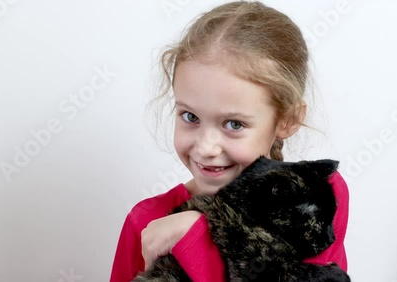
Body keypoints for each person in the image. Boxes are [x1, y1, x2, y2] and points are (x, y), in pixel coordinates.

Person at [110, 1, 349, 281]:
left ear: (286, 120)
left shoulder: (314, 198)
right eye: (190, 116)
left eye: (234, 124)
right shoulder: (146, 220)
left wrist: (196, 236)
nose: (205, 148)